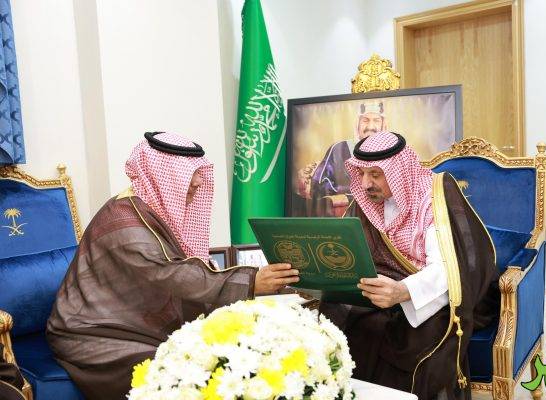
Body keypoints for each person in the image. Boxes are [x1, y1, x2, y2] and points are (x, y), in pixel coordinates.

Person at [47, 132, 299, 400]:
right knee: (180, 372)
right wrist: (250, 281)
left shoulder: (146, 209)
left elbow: (180, 266)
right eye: (191, 173)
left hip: (129, 324)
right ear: (164, 174)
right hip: (92, 332)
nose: (199, 181)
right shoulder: (125, 220)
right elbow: (169, 273)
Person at [320, 131, 499, 400]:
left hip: (436, 294)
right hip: (385, 288)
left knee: (414, 338)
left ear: (398, 171)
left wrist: (403, 292)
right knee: (337, 313)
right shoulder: (367, 202)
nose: (366, 184)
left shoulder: (434, 199)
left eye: (375, 174)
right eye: (362, 173)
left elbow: (448, 267)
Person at [309, 101, 387, 216]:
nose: (370, 126)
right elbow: (318, 186)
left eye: (376, 120)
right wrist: (352, 195)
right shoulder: (339, 149)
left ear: (383, 125)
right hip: (347, 218)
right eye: (365, 120)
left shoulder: (392, 153)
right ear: (357, 124)